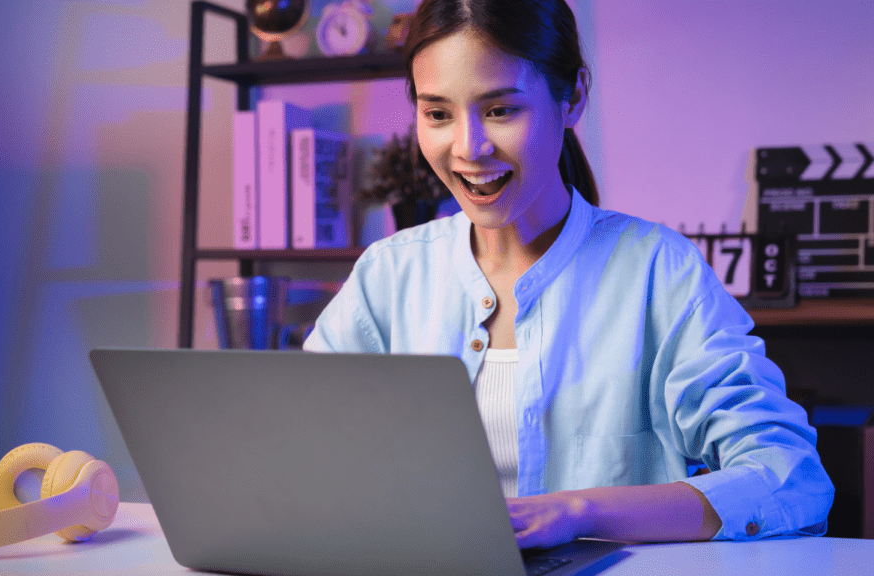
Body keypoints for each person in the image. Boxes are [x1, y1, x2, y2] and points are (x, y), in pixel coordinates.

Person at [303, 0, 833, 548]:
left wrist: (579, 510)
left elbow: (789, 478)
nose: (469, 148)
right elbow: (295, 448)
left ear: (573, 96)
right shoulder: (388, 276)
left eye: (501, 110)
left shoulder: (658, 272)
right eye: (438, 114)